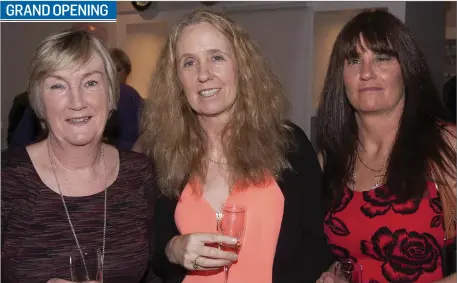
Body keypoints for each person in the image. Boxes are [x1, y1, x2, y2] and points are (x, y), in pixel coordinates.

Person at [136, 9, 332, 283]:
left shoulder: (289, 145)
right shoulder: (166, 155)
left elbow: (317, 244)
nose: (204, 74)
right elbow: (155, 252)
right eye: (189, 63)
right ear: (176, 80)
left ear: (240, 66)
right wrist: (173, 249)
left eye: (216, 57)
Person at [1, 29, 161, 283]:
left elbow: (152, 275)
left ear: (111, 94)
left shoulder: (139, 174)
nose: (77, 101)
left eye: (90, 83)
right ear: (40, 101)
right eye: (58, 86)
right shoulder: (7, 179)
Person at [315, 10, 456, 283]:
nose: (367, 73)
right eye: (354, 60)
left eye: (382, 58)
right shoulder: (330, 160)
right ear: (340, 76)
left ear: (406, 69)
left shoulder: (446, 146)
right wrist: (332, 274)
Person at [107, 48, 144, 150]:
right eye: (110, 69)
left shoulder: (126, 94)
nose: (113, 74)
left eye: (118, 69)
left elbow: (129, 137)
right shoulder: (125, 93)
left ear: (126, 71)